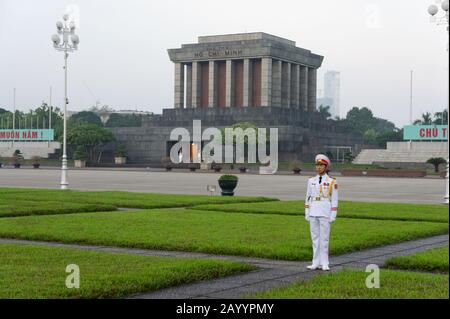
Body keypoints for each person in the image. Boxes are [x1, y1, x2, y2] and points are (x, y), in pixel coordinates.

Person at [304, 154, 339, 271]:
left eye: (321, 165)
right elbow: (308, 197)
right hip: (313, 210)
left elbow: (334, 199)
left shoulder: (332, 181)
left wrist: (333, 214)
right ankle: (315, 262)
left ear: (326, 167)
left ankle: (325, 262)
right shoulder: (311, 180)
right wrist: (307, 211)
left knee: (324, 239)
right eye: (317, 165)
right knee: (315, 239)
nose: (318, 167)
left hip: (325, 211)